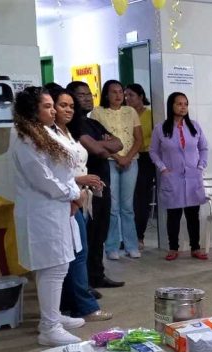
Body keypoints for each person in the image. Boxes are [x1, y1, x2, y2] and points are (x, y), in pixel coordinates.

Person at [9, 87, 88, 346]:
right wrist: (74, 192)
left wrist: (72, 192)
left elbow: (66, 166)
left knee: (60, 264)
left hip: (57, 208)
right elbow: (43, 179)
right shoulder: (24, 138)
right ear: (32, 110)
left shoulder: (46, 132)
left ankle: (52, 317)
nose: (53, 110)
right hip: (42, 211)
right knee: (52, 267)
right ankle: (50, 328)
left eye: (52, 105)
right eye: (46, 106)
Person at [49, 87, 112, 322]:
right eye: (61, 105)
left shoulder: (69, 131)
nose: (67, 110)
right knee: (78, 253)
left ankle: (70, 303)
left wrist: (87, 183)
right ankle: (85, 306)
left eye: (71, 106)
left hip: (80, 197)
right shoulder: (49, 136)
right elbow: (54, 174)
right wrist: (81, 181)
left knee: (78, 252)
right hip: (68, 201)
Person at [65, 81, 125, 290]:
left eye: (89, 94)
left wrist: (103, 144)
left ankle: (97, 275)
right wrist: (104, 145)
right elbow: (99, 151)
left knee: (100, 231)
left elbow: (119, 143)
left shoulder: (94, 123)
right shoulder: (75, 125)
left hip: (102, 185)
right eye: (81, 95)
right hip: (85, 188)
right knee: (88, 235)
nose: (87, 98)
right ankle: (85, 282)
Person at [150, 92, 210, 261]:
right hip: (172, 177)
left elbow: (204, 148)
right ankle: (173, 248)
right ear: (171, 106)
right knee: (174, 215)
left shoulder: (194, 126)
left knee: (193, 215)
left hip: (192, 178)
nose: (183, 107)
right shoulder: (161, 128)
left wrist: (201, 166)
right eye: (179, 104)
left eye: (185, 104)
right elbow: (153, 151)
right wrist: (162, 168)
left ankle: (195, 248)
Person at [91, 80, 143, 260]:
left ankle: (131, 245)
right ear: (106, 94)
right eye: (114, 92)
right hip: (109, 162)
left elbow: (138, 139)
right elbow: (96, 141)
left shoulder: (131, 112)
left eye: (121, 91)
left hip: (131, 162)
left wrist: (127, 157)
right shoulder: (97, 113)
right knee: (112, 207)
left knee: (127, 207)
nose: (118, 95)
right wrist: (118, 157)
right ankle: (112, 246)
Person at [125, 83, 154, 251]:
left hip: (146, 158)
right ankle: (126, 236)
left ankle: (139, 235)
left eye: (131, 95)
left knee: (141, 199)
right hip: (128, 157)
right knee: (128, 198)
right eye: (126, 95)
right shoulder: (124, 114)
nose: (127, 99)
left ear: (141, 96)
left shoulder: (150, 114)